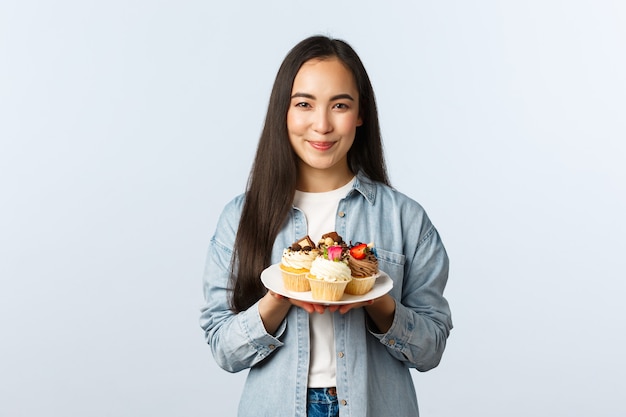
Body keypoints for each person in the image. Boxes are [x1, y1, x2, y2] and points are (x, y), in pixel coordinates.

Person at [200, 35, 453, 417]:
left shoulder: (406, 218)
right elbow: (223, 348)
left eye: (339, 105)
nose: (321, 125)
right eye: (304, 104)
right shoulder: (240, 217)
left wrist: (378, 302)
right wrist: (279, 296)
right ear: (283, 112)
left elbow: (431, 349)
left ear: (360, 114)